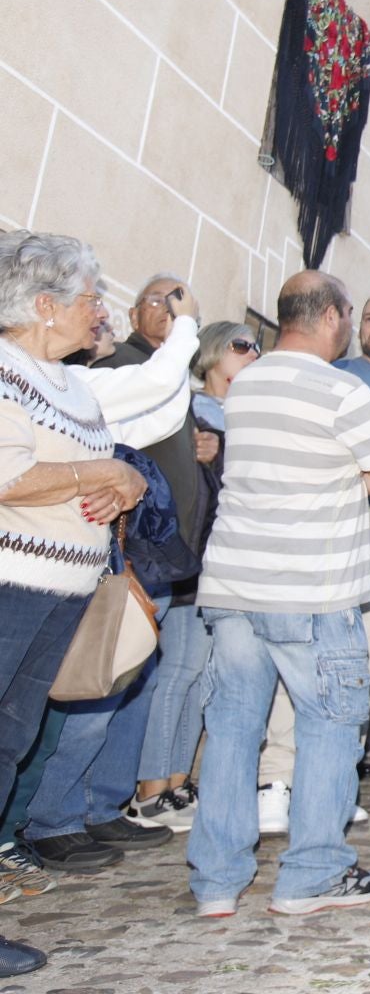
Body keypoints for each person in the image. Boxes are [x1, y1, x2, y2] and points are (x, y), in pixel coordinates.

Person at [188, 271, 370, 917]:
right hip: (310, 589)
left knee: (232, 729)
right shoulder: (342, 389)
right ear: (335, 317)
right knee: (330, 727)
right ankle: (312, 873)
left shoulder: (246, 381)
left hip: (232, 582)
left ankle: (216, 884)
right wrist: (352, 468)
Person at [0, 231, 148, 977]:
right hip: (9, 589)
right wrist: (96, 470)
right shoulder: (3, 369)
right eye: (92, 298)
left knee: (9, 746)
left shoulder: (77, 386)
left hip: (63, 593)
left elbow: (112, 473)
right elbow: (7, 476)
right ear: (46, 302)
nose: (102, 312)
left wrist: (127, 480)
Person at [254, 291, 370, 833]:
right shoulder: (330, 378)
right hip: (335, 523)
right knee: (311, 657)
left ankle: (334, 781)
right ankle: (277, 781)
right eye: (369, 317)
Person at [130, 321, 258, 830]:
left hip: (224, 566)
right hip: (189, 562)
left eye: (257, 347)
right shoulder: (190, 406)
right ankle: (150, 789)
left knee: (198, 677)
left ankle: (178, 781)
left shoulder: (242, 413)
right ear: (211, 353)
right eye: (242, 345)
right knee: (179, 672)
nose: (253, 354)